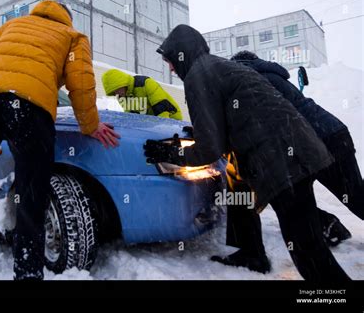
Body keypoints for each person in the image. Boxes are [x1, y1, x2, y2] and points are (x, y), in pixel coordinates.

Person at [0, 0, 120, 280]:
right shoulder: (72, 37)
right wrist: (89, 125)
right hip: (31, 109)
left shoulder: (14, 25)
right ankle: (27, 275)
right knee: (31, 198)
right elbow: (81, 80)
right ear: (67, 19)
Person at [146, 24, 351, 282]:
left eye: (170, 61)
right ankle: (252, 254)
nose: (171, 68)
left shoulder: (199, 75)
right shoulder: (216, 67)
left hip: (282, 162)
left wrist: (174, 155)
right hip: (295, 153)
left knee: (307, 250)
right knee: (306, 242)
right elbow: (233, 120)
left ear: (181, 53)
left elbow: (211, 148)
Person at [219, 51, 363, 270]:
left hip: (312, 140)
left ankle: (253, 253)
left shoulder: (250, 81)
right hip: (330, 134)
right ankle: (330, 226)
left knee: (280, 196)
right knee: (346, 196)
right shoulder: (272, 75)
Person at [101, 69, 183, 120]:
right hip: (153, 123)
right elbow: (131, 116)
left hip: (172, 119)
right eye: (114, 92)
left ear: (124, 84)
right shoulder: (122, 97)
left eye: (118, 89)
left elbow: (161, 108)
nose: (117, 93)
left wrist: (164, 129)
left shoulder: (146, 83)